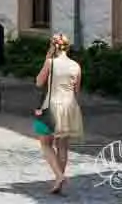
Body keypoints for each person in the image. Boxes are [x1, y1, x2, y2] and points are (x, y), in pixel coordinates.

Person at [34, 33, 83, 195]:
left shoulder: (51, 62)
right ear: (67, 47)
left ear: (53, 47)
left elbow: (39, 82)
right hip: (69, 106)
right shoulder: (76, 66)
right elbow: (77, 90)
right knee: (62, 146)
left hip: (51, 105)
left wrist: (46, 58)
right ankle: (58, 181)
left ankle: (59, 176)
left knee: (45, 143)